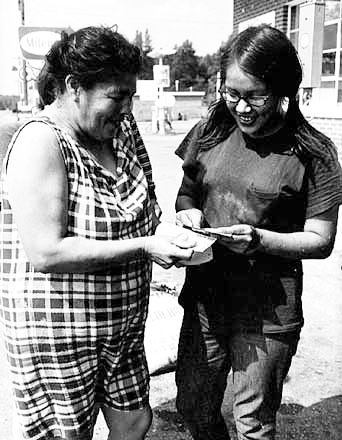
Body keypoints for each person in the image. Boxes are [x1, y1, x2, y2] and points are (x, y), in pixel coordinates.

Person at [0, 26, 195, 440]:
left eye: (130, 95)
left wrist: (174, 234)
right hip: (61, 334)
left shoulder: (121, 132)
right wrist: (144, 246)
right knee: (67, 434)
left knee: (134, 420)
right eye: (116, 95)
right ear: (74, 87)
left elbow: (146, 212)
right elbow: (46, 252)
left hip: (122, 326)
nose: (127, 107)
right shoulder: (42, 141)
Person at [174, 24, 342, 440]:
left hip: (267, 313)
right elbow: (186, 195)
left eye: (255, 96)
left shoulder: (314, 153)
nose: (241, 107)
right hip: (206, 301)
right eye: (232, 93)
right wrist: (188, 217)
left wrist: (259, 239)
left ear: (283, 90)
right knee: (193, 405)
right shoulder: (211, 129)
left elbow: (320, 241)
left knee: (252, 424)